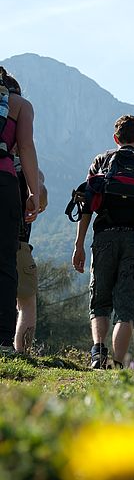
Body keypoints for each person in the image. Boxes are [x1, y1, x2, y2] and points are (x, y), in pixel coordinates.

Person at [72, 115, 134, 369]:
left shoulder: (101, 161)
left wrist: (79, 244)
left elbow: (87, 206)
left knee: (100, 300)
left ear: (116, 138)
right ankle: (116, 366)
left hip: (104, 237)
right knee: (126, 308)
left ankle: (97, 355)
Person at [0, 67, 39, 354]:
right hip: (4, 184)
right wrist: (33, 193)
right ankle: (3, 341)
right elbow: (25, 146)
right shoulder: (20, 105)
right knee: (4, 262)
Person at [14, 153, 48, 353]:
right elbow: (41, 198)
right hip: (18, 243)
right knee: (26, 303)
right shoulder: (25, 171)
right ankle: (22, 353)